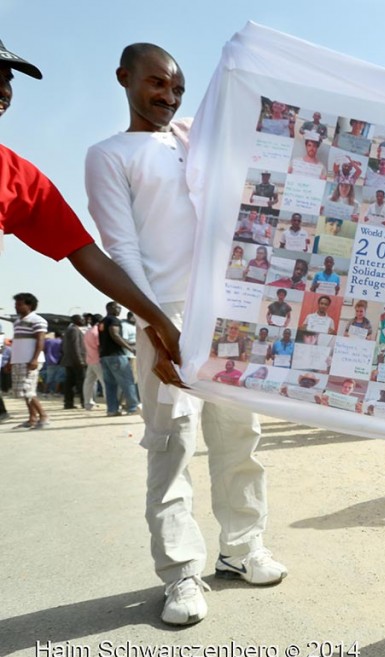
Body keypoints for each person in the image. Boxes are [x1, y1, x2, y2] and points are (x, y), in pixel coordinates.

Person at [86, 43, 287, 626]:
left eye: (176, 87)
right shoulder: (109, 153)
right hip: (164, 314)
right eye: (156, 84)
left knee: (239, 434)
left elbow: (257, 125)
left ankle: (242, 549)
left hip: (226, 311)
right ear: (124, 78)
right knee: (171, 442)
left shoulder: (196, 134)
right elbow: (121, 248)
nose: (168, 96)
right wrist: (158, 325)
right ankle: (180, 574)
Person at [0, 38, 183, 383]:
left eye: (7, 78)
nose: (3, 90)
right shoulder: (109, 155)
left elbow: (88, 256)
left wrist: (159, 324)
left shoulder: (17, 176)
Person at [9, 292, 49, 429]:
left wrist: (35, 359)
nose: (17, 307)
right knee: (22, 391)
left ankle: (43, 416)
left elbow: (40, 340)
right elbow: (17, 343)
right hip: (19, 360)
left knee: (28, 390)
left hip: (30, 360)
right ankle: (32, 418)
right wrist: (11, 360)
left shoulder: (37, 320)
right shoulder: (18, 322)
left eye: (20, 305)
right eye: (16, 305)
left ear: (29, 305)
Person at [97, 301, 139, 416]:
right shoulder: (114, 320)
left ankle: (112, 410)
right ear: (110, 308)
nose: (119, 309)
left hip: (105, 356)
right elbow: (115, 335)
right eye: (117, 307)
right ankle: (133, 407)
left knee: (110, 385)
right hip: (116, 355)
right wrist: (130, 348)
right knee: (127, 382)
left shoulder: (101, 322)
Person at [60, 314, 88, 409]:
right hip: (75, 361)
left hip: (70, 360)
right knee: (81, 382)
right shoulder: (74, 330)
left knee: (70, 383)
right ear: (76, 320)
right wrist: (79, 360)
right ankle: (84, 402)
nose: (83, 320)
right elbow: (75, 346)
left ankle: (68, 403)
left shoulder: (70, 330)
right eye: (82, 319)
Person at [82, 315, 104, 410]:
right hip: (98, 360)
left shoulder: (88, 332)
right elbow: (99, 347)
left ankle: (88, 403)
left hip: (90, 359)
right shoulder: (97, 332)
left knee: (89, 382)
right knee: (104, 382)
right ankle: (110, 403)